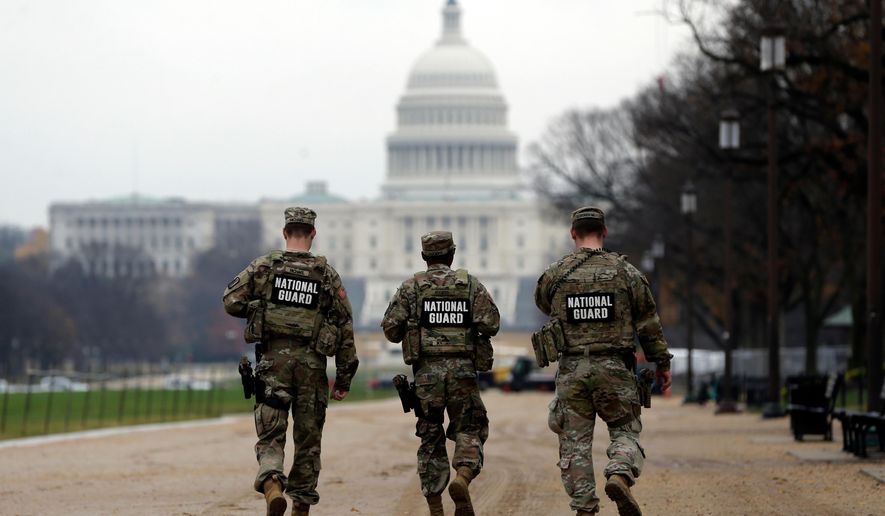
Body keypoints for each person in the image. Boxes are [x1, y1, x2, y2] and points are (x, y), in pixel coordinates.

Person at [534, 207, 673, 516]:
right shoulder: (627, 274)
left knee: (575, 445)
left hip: (572, 371)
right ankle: (619, 473)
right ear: (605, 232)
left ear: (573, 234)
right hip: (615, 368)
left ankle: (584, 508)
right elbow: (648, 324)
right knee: (625, 430)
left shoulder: (555, 276)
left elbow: (544, 305)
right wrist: (662, 364)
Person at [222, 207, 359, 516]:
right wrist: (345, 377)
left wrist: (263, 310)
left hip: (273, 364)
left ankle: (272, 482)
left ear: (285, 233)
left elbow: (231, 300)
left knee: (271, 433)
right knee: (308, 442)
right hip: (311, 367)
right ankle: (300, 509)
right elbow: (344, 326)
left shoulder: (265, 266)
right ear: (312, 234)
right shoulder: (326, 273)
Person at [381, 231, 500, 516]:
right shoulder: (469, 285)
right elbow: (491, 324)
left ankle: (436, 508)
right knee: (470, 429)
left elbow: (390, 329)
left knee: (430, 439)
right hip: (462, 373)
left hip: (427, 377)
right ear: (452, 254)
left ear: (424, 256)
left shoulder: (411, 288)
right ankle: (462, 478)